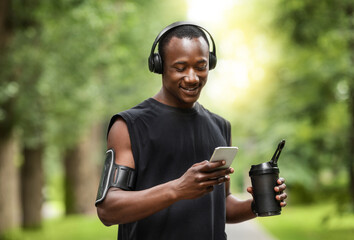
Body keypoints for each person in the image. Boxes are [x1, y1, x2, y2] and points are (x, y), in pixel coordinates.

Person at [96, 22, 287, 240]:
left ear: (210, 64)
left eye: (200, 66)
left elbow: (221, 206)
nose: (192, 77)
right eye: (180, 68)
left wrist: (258, 204)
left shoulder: (220, 126)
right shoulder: (128, 126)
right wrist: (177, 189)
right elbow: (108, 209)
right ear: (159, 65)